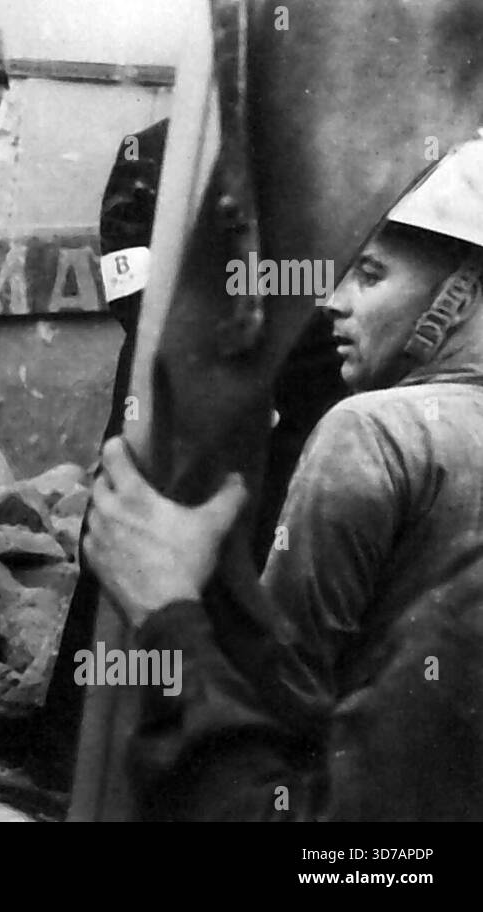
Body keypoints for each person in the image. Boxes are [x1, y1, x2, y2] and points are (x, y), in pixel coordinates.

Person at [83, 135, 483, 820]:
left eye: (372, 274)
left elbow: (285, 698)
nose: (334, 299)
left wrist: (171, 608)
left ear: (461, 293)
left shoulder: (376, 433)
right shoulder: (170, 151)